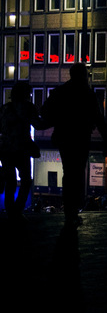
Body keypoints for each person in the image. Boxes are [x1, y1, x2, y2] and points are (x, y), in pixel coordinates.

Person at [40, 63, 107, 227]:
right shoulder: (87, 94)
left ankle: (70, 211)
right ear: (83, 76)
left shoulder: (60, 92)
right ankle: (72, 211)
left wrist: (58, 120)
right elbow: (99, 120)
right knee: (77, 173)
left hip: (64, 138)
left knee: (68, 172)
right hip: (81, 138)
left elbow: (45, 111)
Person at [1, 81, 42, 219]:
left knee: (10, 181)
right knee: (26, 180)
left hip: (5, 150)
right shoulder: (28, 107)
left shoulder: (5, 108)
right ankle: (18, 209)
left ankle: (10, 209)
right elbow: (38, 124)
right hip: (22, 149)